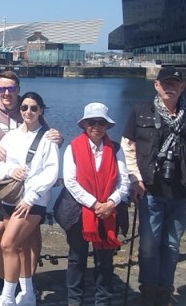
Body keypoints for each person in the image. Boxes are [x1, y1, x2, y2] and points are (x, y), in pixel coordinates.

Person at [122, 67, 186, 306]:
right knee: (148, 246)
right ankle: (148, 290)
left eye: (174, 83)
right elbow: (127, 149)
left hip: (182, 194)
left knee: (171, 246)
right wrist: (135, 179)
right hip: (150, 192)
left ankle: (164, 291)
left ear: (182, 86)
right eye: (165, 83)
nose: (170, 87)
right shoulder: (140, 112)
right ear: (156, 85)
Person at [0, 71, 61, 300]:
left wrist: (58, 138)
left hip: (32, 196)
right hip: (7, 189)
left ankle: (24, 289)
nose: (7, 93)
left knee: (25, 240)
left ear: (18, 89)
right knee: (2, 237)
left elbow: (48, 145)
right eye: (2, 89)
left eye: (11, 88)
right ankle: (7, 282)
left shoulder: (31, 111)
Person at [0, 92, 60, 306]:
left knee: (7, 244)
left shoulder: (48, 138)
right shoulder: (10, 137)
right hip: (10, 198)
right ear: (19, 110)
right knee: (21, 246)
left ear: (41, 110)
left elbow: (51, 172)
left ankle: (8, 297)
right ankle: (28, 294)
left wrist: (31, 197)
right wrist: (12, 170)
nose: (28, 112)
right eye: (24, 107)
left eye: (33, 108)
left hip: (33, 201)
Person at [58, 102, 129, 306]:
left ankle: (103, 300)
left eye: (101, 122)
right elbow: (70, 181)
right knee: (76, 258)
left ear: (107, 125)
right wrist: (95, 203)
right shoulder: (73, 148)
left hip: (108, 212)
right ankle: (74, 300)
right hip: (80, 212)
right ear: (84, 124)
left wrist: (111, 203)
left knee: (105, 260)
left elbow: (123, 181)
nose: (96, 126)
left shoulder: (115, 149)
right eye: (91, 122)